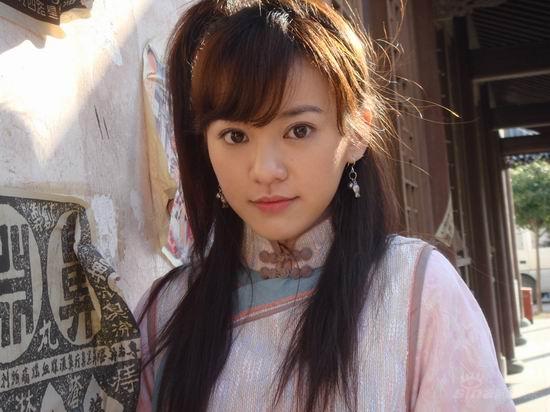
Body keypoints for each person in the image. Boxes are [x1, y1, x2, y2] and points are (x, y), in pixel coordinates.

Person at [135, 1, 515, 411]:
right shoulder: (166, 312)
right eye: (235, 136)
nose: (265, 170)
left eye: (299, 130)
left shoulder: (418, 289)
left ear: (358, 131)